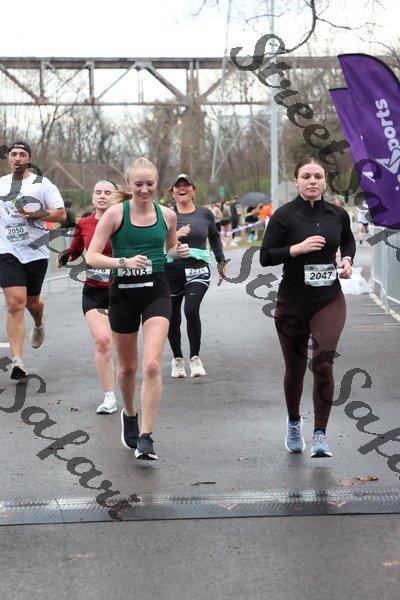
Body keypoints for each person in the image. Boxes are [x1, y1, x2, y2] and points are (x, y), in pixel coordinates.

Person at [86, 158, 189, 461]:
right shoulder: (115, 214)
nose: (144, 190)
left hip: (156, 292)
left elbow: (170, 249)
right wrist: (124, 262)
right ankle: (129, 414)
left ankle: (146, 436)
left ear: (157, 184)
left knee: (153, 365)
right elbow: (92, 257)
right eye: (138, 184)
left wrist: (178, 251)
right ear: (129, 185)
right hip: (123, 295)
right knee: (128, 367)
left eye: (150, 184)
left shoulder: (167, 215)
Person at [260, 157, 355, 458]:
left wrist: (347, 259)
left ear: (325, 181)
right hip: (292, 301)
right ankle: (293, 423)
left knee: (323, 362)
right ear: (296, 181)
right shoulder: (284, 216)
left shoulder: (337, 214)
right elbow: (265, 256)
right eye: (306, 176)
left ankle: (320, 434)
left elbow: (348, 242)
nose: (312, 181)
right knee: (295, 368)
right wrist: (296, 249)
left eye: (317, 176)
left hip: (329, 299)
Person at [0, 141, 66, 379]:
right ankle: (17, 361)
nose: (17, 158)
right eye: (13, 154)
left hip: (35, 251)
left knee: (32, 302)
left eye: (22, 154)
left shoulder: (42, 184)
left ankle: (38, 322)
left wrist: (35, 214)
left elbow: (61, 214)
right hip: (7, 250)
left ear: (29, 159)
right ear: (9, 158)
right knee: (15, 303)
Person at [58, 181, 118, 415]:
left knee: (124, 348)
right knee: (103, 341)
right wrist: (66, 255)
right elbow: (75, 250)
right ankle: (109, 397)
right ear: (92, 197)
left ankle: (128, 387)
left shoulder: (125, 223)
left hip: (122, 292)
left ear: (116, 197)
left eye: (107, 192)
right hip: (94, 292)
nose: (102, 196)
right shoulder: (84, 223)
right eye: (98, 192)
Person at [166, 174, 228, 378]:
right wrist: (176, 235)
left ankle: (195, 358)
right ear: (172, 192)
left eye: (186, 185)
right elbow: (157, 241)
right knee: (173, 316)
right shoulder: (166, 214)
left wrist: (221, 261)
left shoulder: (205, 214)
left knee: (191, 310)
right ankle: (177, 358)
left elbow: (215, 238)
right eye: (178, 186)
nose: (182, 188)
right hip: (171, 271)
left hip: (198, 269)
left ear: (194, 190)